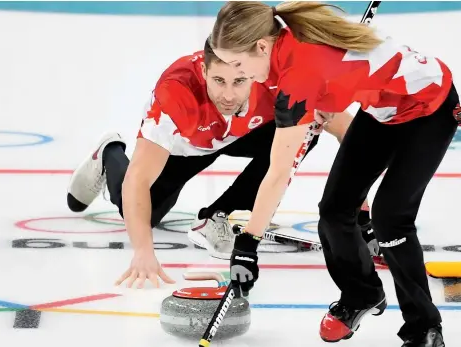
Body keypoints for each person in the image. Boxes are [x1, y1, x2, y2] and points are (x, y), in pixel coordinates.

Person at [209, 2, 461, 346]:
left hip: (429, 107)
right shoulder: (279, 45)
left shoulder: (300, 72)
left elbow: (278, 172)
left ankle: (424, 328)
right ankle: (361, 294)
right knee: (335, 210)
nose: (238, 73)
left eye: (238, 64)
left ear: (261, 45)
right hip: (382, 111)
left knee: (391, 219)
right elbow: (342, 72)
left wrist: (248, 243)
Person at [65, 38, 371, 288]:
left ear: (254, 73)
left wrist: (361, 207)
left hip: (244, 133)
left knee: (307, 126)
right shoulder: (176, 95)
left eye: (239, 81)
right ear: (204, 71)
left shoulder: (274, 80)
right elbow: (138, 181)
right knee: (146, 215)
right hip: (186, 146)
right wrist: (143, 252)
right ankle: (110, 154)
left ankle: (220, 216)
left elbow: (349, 132)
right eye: (218, 81)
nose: (228, 94)